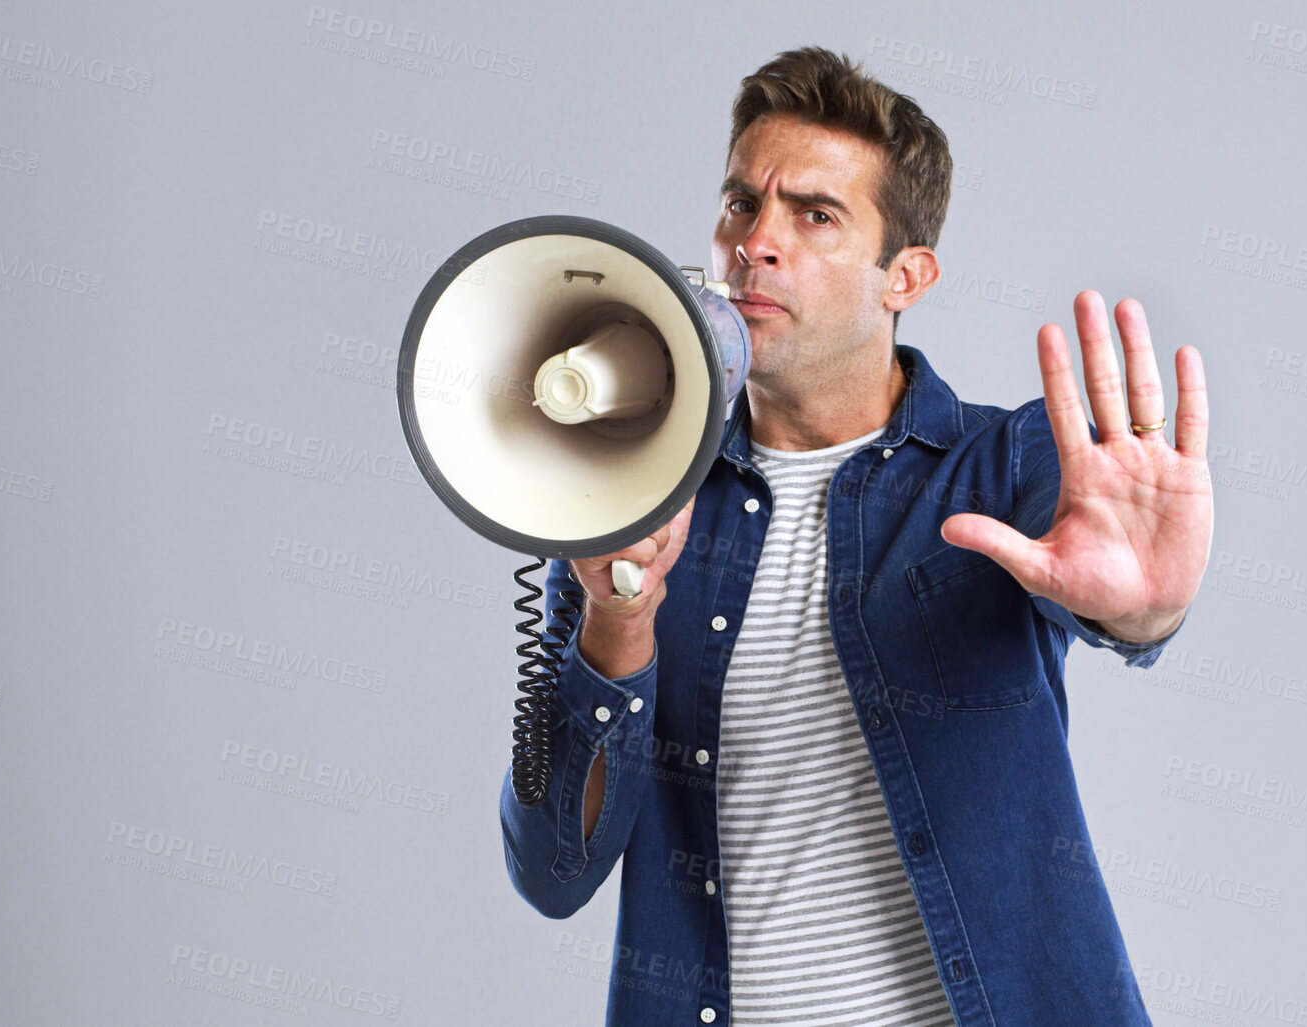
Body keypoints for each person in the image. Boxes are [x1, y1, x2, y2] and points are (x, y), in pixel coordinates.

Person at [500, 46, 1214, 1027]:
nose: (758, 242)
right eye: (742, 204)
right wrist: (614, 625)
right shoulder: (629, 501)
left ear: (904, 276)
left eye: (815, 215)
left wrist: (1149, 609)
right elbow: (551, 870)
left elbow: (1122, 590)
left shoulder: (1003, 468)